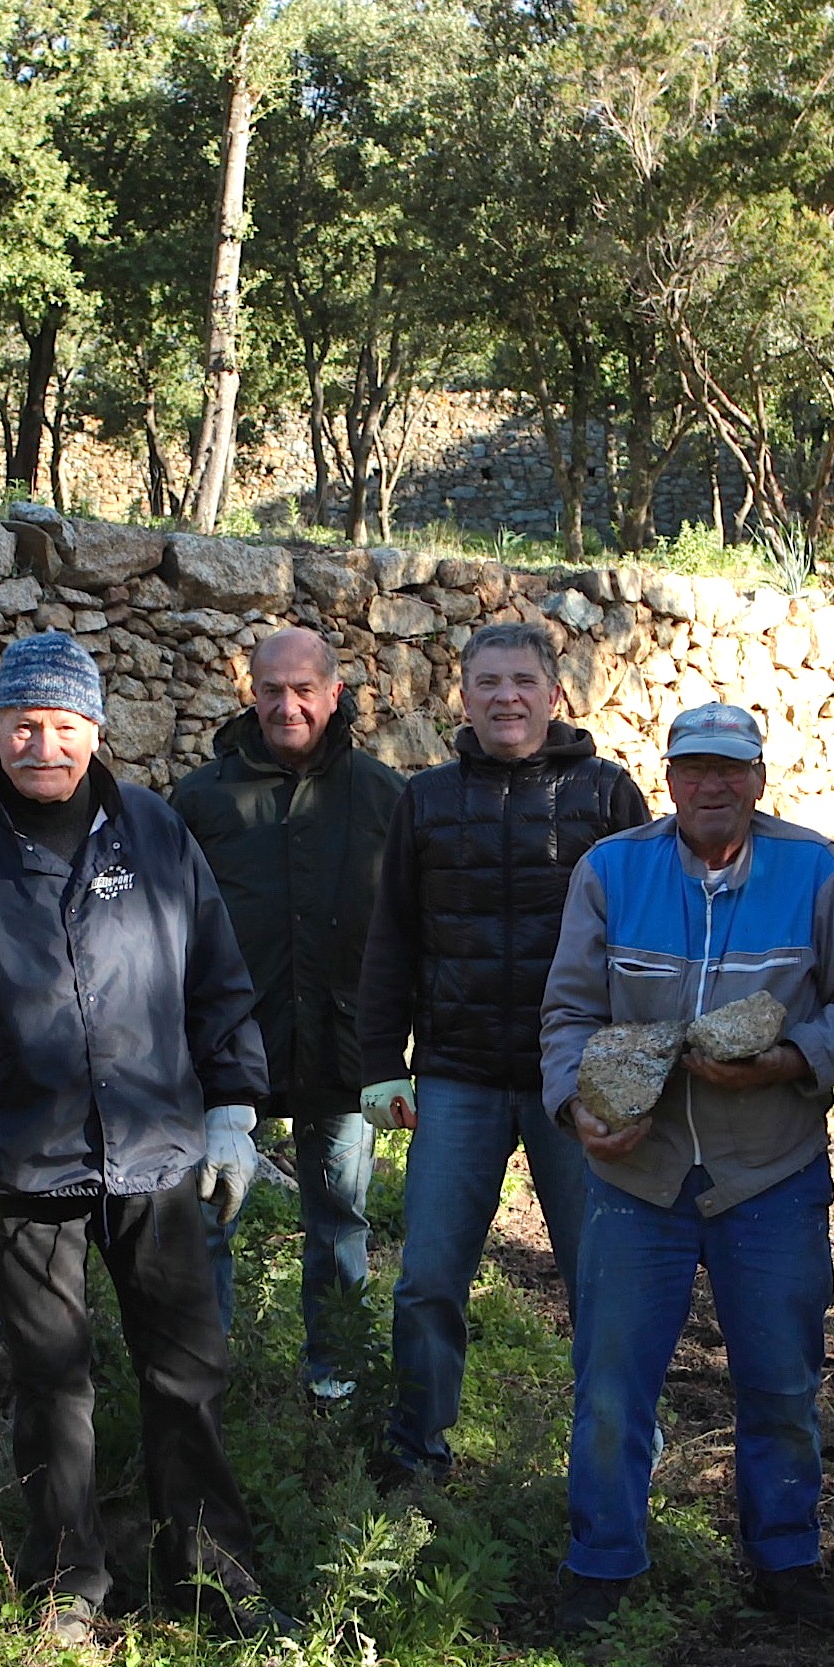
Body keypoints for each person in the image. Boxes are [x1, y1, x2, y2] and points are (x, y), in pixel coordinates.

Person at [0, 630, 280, 1647]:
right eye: (22, 725)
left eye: (61, 725)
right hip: (24, 1156)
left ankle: (211, 1570)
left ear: (95, 730)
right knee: (50, 1378)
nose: (41, 745)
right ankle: (67, 1581)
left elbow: (216, 973)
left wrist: (233, 1105)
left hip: (156, 1147)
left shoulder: (153, 830)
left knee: (187, 1368)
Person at [538, 703, 834, 1633]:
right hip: (638, 1175)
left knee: (780, 1378)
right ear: (667, 779)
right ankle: (601, 1564)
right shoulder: (610, 870)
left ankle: (786, 1558)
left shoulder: (813, 869)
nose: (711, 786)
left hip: (768, 1170)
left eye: (729, 770)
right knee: (611, 1381)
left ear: (758, 780)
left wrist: (791, 1058)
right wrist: (575, 1104)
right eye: (693, 769)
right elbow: (568, 1011)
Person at [353, 622, 650, 1485]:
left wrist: (634, 1074)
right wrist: (380, 1062)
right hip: (459, 1077)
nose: (505, 697)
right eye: (487, 682)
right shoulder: (426, 799)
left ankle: (617, 1452)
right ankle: (416, 1447)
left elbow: (647, 943)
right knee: (427, 1276)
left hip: (579, 1082)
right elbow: (391, 939)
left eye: (522, 681)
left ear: (555, 694)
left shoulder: (607, 795)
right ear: (464, 697)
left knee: (600, 1279)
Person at [168, 627, 406, 1397]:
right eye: (270, 689)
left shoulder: (382, 795)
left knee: (339, 1218)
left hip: (340, 1045)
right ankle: (202, 1379)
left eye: (303, 689)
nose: (286, 705)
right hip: (225, 1049)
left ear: (335, 693)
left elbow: (412, 924)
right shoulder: (201, 799)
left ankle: (338, 1378)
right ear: (251, 692)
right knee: (209, 1215)